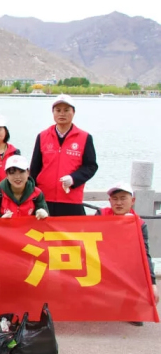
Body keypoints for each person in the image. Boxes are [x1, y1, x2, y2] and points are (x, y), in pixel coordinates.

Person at [30, 95, 98, 216]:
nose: (62, 113)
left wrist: (73, 178)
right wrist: (33, 195)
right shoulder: (42, 136)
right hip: (44, 199)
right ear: (53, 113)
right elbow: (34, 169)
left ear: (73, 112)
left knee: (73, 229)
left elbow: (91, 166)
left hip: (71, 199)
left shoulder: (85, 137)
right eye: (58, 110)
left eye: (66, 110)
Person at [96, 182, 158, 314]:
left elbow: (144, 254)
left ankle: (130, 309)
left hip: (124, 263)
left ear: (132, 200)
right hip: (102, 261)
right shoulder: (100, 215)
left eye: (123, 198)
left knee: (140, 269)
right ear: (110, 201)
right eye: (115, 199)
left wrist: (152, 283)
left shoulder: (139, 224)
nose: (118, 203)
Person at [0, 155, 49, 219]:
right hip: (4, 229)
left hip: (28, 229)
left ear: (28, 172)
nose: (17, 177)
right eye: (12, 172)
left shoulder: (37, 194)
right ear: (7, 174)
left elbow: (45, 222)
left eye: (21, 172)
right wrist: (0, 219)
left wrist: (44, 215)